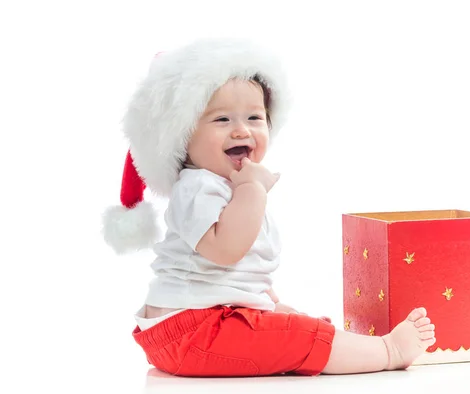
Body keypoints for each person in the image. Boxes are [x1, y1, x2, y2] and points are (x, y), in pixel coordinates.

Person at [102, 38, 436, 377]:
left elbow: (244, 268)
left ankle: (332, 340)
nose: (241, 129)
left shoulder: (222, 186)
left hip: (203, 323)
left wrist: (270, 303)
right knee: (299, 338)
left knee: (290, 324)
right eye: (221, 120)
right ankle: (388, 350)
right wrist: (252, 188)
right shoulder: (196, 186)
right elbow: (227, 250)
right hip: (194, 330)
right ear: (184, 136)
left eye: (254, 117)